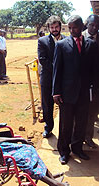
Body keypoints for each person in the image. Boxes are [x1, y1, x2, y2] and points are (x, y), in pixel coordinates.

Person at [0, 100, 69, 186]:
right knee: (24, 159)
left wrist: (20, 140)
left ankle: (49, 177)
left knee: (28, 148)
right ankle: (52, 183)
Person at [53, 15, 96, 165]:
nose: (72, 30)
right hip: (66, 93)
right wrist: (56, 92)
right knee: (66, 124)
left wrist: (94, 90)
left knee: (81, 123)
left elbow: (94, 70)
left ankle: (77, 148)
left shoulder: (91, 45)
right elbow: (57, 70)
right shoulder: (61, 45)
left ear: (82, 26)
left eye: (75, 27)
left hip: (84, 93)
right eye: (69, 28)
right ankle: (64, 151)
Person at [37, 15, 66, 139]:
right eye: (52, 27)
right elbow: (43, 60)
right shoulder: (42, 41)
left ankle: (65, 131)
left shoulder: (67, 40)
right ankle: (48, 128)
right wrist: (58, 69)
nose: (54, 29)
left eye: (56, 27)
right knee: (47, 105)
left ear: (60, 27)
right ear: (48, 28)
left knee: (64, 105)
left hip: (64, 80)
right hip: (48, 79)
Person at [82, 14, 99, 148]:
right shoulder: (78, 37)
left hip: (96, 84)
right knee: (79, 112)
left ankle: (88, 137)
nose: (94, 28)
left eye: (97, 26)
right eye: (92, 25)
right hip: (81, 84)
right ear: (87, 24)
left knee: (93, 112)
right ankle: (77, 138)